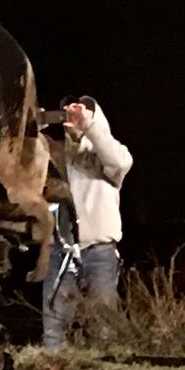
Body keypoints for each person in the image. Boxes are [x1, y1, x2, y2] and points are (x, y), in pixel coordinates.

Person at [41, 95, 132, 350]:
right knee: (54, 329)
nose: (73, 116)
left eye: (81, 110)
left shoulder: (107, 160)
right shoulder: (57, 156)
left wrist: (89, 126)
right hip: (61, 253)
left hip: (99, 254)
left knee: (104, 330)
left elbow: (121, 162)